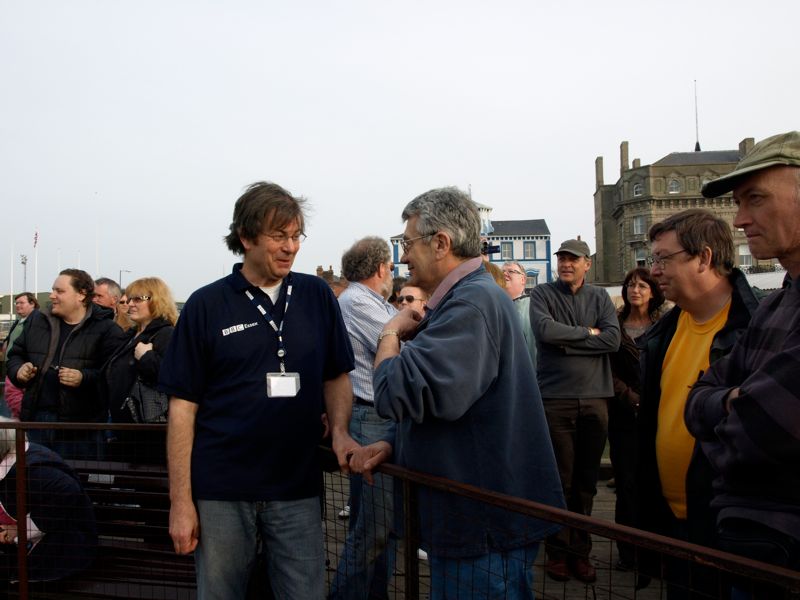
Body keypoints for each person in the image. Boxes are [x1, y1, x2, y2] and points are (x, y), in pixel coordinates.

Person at [350, 187, 564, 599]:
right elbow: (456, 404)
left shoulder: (471, 304)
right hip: (476, 520)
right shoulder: (469, 299)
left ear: (441, 243)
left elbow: (395, 392)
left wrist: (390, 332)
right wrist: (394, 443)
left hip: (484, 527)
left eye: (408, 243)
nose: (404, 257)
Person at [158, 181, 357, 599]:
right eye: (278, 236)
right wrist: (181, 502)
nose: (290, 247)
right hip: (222, 492)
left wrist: (340, 430)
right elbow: (182, 408)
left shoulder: (317, 296)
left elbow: (337, 375)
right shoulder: (205, 305)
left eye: (296, 236)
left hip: (298, 489)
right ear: (246, 237)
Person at [686, 131, 800, 597]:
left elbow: (756, 433)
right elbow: (696, 401)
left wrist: (726, 405)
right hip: (754, 549)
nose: (739, 220)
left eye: (755, 198)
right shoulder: (777, 304)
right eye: (737, 203)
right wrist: (731, 401)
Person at [637, 209, 760, 598]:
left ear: (703, 258)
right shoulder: (666, 330)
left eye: (663, 258)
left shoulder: (755, 328)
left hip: (729, 531)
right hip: (673, 522)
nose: (654, 270)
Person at [529, 238, 620, 583]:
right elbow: (545, 331)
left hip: (596, 399)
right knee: (560, 481)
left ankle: (580, 553)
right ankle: (557, 552)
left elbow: (612, 339)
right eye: (562, 259)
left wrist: (568, 342)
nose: (566, 264)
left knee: (586, 483)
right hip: (556, 399)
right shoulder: (542, 294)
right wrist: (588, 333)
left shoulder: (600, 297)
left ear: (587, 264)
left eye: (573, 259)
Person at [330, 237, 397, 600]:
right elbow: (401, 351)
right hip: (371, 416)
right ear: (381, 268)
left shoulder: (366, 301)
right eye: (391, 267)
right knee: (373, 529)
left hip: (375, 416)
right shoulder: (358, 302)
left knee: (379, 528)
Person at [7, 269, 125, 459]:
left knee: (77, 476)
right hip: (37, 422)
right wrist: (18, 370)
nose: (52, 295)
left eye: (60, 291)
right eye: (53, 290)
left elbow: (114, 375)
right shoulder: (37, 320)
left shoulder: (107, 329)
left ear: (81, 295)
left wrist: (84, 378)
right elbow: (15, 355)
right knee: (37, 475)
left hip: (81, 428)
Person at [608, 267, 666, 570]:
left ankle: (655, 551)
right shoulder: (614, 325)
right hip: (624, 413)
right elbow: (607, 368)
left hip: (658, 412)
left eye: (642, 285)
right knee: (627, 483)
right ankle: (628, 551)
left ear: (653, 291)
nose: (635, 290)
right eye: (631, 285)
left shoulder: (665, 324)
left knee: (653, 482)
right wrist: (630, 397)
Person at [0, 417, 97, 584]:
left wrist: (22, 529)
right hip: (31, 541)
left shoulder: (31, 468)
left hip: (63, 548)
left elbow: (68, 490)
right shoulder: (16, 457)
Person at [103, 277, 177, 463]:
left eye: (138, 299)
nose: (130, 304)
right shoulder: (130, 335)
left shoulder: (167, 334)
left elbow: (173, 378)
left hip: (148, 434)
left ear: (156, 300)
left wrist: (146, 357)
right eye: (129, 299)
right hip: (126, 431)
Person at [2, 293, 39, 418]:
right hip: (12, 368)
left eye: (21, 303)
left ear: (32, 304)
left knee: (18, 404)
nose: (18, 305)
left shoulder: (37, 323)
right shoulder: (18, 322)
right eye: (16, 303)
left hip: (24, 370)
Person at [503, 260, 537, 368]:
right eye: (502, 272)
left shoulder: (535, 306)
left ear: (523, 279)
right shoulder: (494, 306)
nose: (504, 274)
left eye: (510, 271)